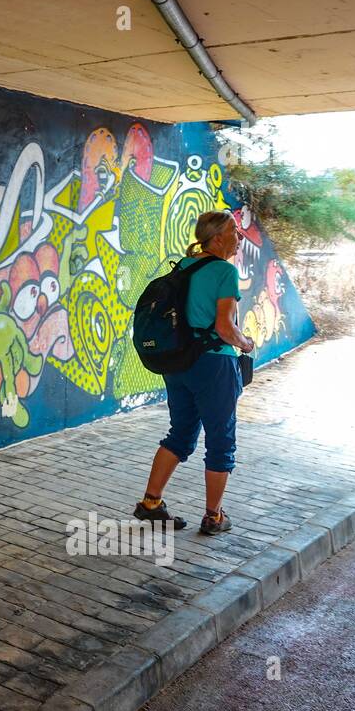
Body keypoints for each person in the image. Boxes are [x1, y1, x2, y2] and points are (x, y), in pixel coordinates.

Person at [133, 211, 256, 535]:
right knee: (221, 440)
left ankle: (150, 503)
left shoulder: (184, 266)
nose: (239, 236)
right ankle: (214, 516)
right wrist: (245, 344)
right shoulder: (224, 271)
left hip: (179, 363)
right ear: (216, 238)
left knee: (181, 433)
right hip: (214, 364)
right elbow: (224, 327)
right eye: (234, 231)